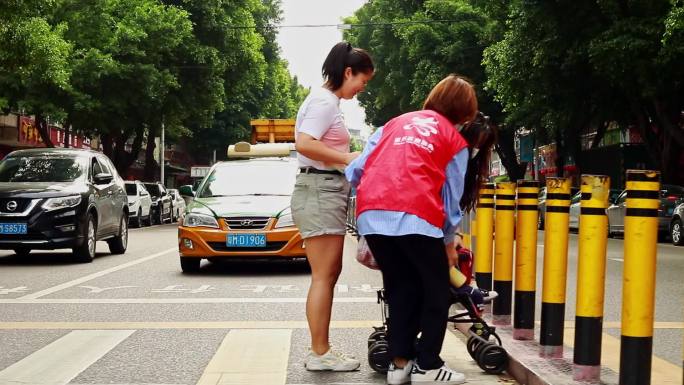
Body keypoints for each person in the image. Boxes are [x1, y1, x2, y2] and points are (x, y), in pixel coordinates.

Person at [345, 75, 496, 384]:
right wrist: (448, 243)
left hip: (373, 214)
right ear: (465, 111)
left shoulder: (393, 123)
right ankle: (427, 365)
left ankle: (399, 366)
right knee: (437, 292)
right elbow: (451, 197)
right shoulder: (455, 142)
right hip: (417, 216)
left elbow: (356, 170)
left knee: (401, 289)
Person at [291, 41, 374, 371]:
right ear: (348, 72)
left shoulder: (327, 101)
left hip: (324, 190)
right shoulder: (324, 102)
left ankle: (321, 349)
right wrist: (346, 158)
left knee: (328, 273)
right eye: (362, 82)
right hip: (319, 190)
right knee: (324, 276)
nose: (361, 90)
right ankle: (320, 352)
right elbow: (304, 143)